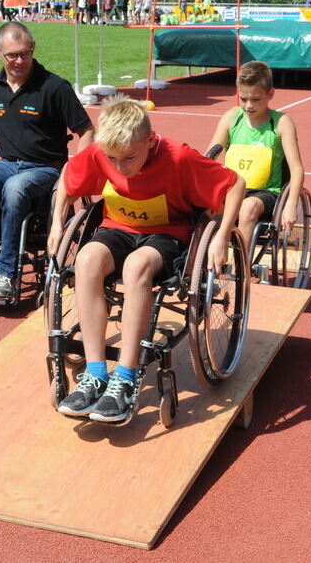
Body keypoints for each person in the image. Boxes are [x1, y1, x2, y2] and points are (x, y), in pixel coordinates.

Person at [49, 95, 245, 421]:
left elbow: (236, 184)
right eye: (112, 159)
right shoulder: (101, 151)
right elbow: (69, 174)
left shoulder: (179, 156)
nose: (120, 167)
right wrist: (58, 223)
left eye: (129, 157)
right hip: (118, 227)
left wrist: (223, 235)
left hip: (167, 234)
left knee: (136, 265)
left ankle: (125, 379)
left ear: (150, 140)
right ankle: (96, 374)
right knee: (85, 260)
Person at [0, 23, 95, 299]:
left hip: (44, 166)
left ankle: (5, 274)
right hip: (6, 163)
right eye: (12, 55)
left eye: (25, 53)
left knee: (15, 189)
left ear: (33, 48)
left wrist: (76, 167)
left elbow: (86, 130)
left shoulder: (55, 87)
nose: (19, 60)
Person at [206, 61, 305, 254]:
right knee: (203, 206)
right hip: (232, 188)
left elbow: (297, 169)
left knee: (247, 207)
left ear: (270, 94)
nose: (249, 105)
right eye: (243, 99)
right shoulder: (232, 117)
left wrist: (291, 204)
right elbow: (210, 156)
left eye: (256, 99)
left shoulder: (281, 123)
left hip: (265, 192)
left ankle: (240, 262)